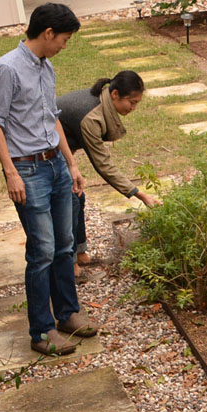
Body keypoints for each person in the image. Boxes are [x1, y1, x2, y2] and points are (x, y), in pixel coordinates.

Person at [0, 3, 98, 356]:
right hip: (27, 171)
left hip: (56, 166)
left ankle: (66, 315)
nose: (66, 44)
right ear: (48, 33)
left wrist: (72, 164)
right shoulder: (6, 69)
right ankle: (41, 331)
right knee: (43, 250)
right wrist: (10, 172)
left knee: (65, 244)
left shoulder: (47, 68)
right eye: (64, 38)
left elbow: (54, 119)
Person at [57, 70, 161, 275]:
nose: (133, 108)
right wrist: (139, 194)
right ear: (114, 94)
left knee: (78, 196)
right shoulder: (91, 116)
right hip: (41, 153)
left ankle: (80, 252)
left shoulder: (101, 102)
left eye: (137, 103)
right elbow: (103, 165)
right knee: (69, 201)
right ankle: (70, 265)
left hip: (60, 151)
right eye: (132, 102)